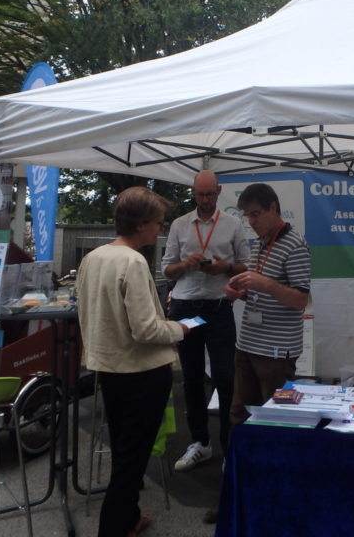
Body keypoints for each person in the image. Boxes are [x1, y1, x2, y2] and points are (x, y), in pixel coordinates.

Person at [76, 186, 189, 537]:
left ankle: (129, 519)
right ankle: (113, 529)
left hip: (109, 369)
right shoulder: (133, 261)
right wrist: (180, 328)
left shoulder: (93, 258)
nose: (160, 229)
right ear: (140, 224)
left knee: (125, 452)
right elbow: (146, 329)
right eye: (158, 222)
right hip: (142, 373)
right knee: (131, 460)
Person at [161, 170, 248, 471]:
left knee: (226, 378)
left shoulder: (233, 224)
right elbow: (166, 271)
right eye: (201, 194)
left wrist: (225, 268)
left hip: (218, 308)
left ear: (219, 191)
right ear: (194, 192)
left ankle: (228, 447)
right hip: (187, 308)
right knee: (192, 377)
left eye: (211, 194)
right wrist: (185, 263)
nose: (206, 200)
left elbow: (245, 265)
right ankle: (200, 442)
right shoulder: (180, 224)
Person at [225, 183, 311, 425]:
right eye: (247, 216)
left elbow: (300, 300)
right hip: (247, 343)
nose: (251, 221)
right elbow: (260, 293)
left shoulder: (295, 245)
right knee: (239, 413)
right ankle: (238, 463)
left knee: (275, 418)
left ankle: (273, 463)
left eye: (256, 214)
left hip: (275, 352)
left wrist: (267, 284)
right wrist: (239, 292)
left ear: (273, 208)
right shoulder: (260, 242)